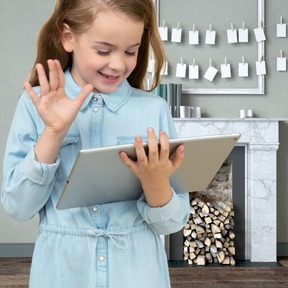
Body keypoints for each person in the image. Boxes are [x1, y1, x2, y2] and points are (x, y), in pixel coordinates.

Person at [1, 0, 190, 287]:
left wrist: (156, 184)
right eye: (103, 50)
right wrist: (53, 132)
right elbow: (19, 207)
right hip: (63, 271)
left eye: (131, 51)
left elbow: (171, 224)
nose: (118, 64)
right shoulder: (34, 105)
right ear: (68, 37)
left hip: (138, 272)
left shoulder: (154, 110)